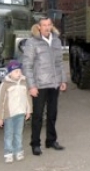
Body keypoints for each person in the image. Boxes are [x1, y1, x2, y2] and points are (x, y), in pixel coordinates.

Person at [22, 17, 67, 156]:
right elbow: (27, 66)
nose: (47, 27)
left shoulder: (57, 41)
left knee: (52, 114)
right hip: (39, 85)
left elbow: (59, 63)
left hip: (54, 84)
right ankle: (35, 144)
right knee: (37, 116)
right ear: (39, 27)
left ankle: (51, 140)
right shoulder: (32, 42)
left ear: (52, 26)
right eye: (44, 25)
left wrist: (63, 80)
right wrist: (31, 86)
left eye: (49, 24)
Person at [0, 60, 32, 163]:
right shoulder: (5, 84)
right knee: (9, 134)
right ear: (10, 73)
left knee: (18, 133)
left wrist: (28, 111)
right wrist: (0, 117)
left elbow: (27, 97)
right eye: (16, 71)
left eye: (20, 71)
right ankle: (8, 153)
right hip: (9, 115)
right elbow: (0, 102)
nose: (19, 73)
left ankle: (19, 150)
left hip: (20, 113)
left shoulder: (24, 82)